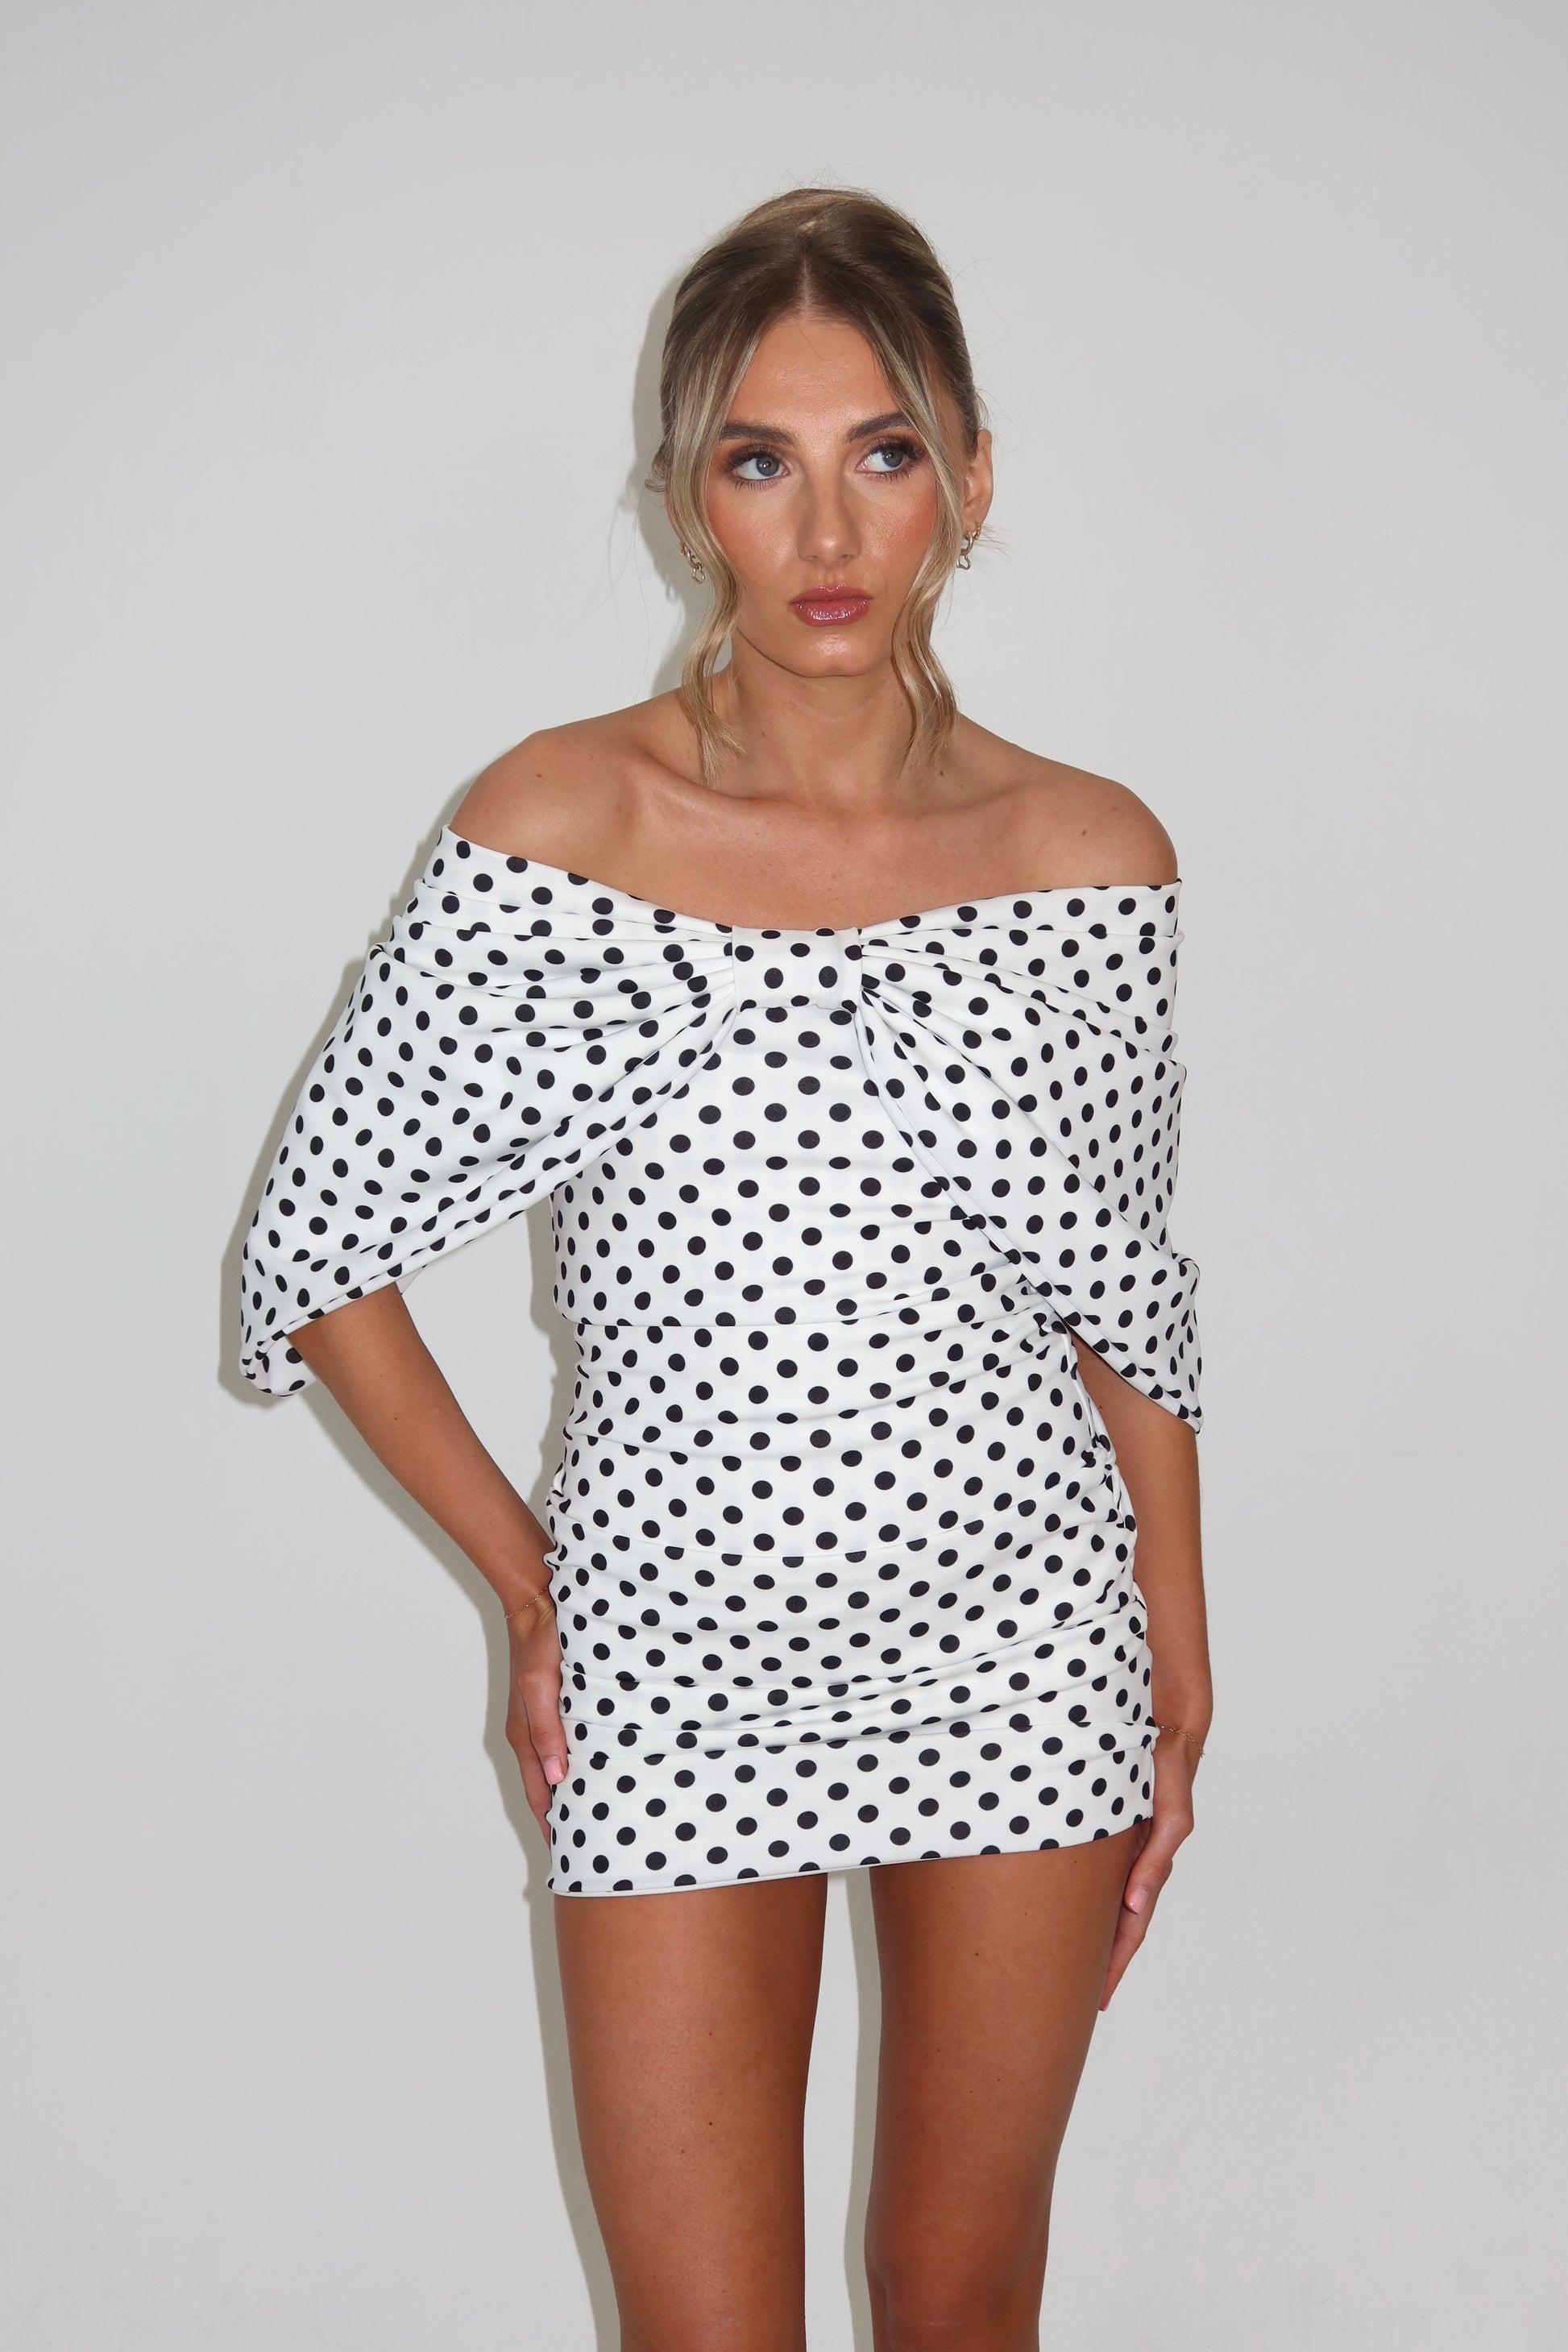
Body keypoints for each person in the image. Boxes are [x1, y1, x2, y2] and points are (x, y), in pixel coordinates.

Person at [239, 186, 1211, 2352]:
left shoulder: (1089, 854)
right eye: (760, 463)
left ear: (970, 476)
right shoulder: (557, 830)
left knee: (957, 2300)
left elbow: (1127, 1295)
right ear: (690, 498)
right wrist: (530, 1589)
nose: (826, 531)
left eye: (883, 452)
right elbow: (321, 1253)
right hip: (673, 1651)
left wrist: (1178, 1634)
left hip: (1025, 1642)